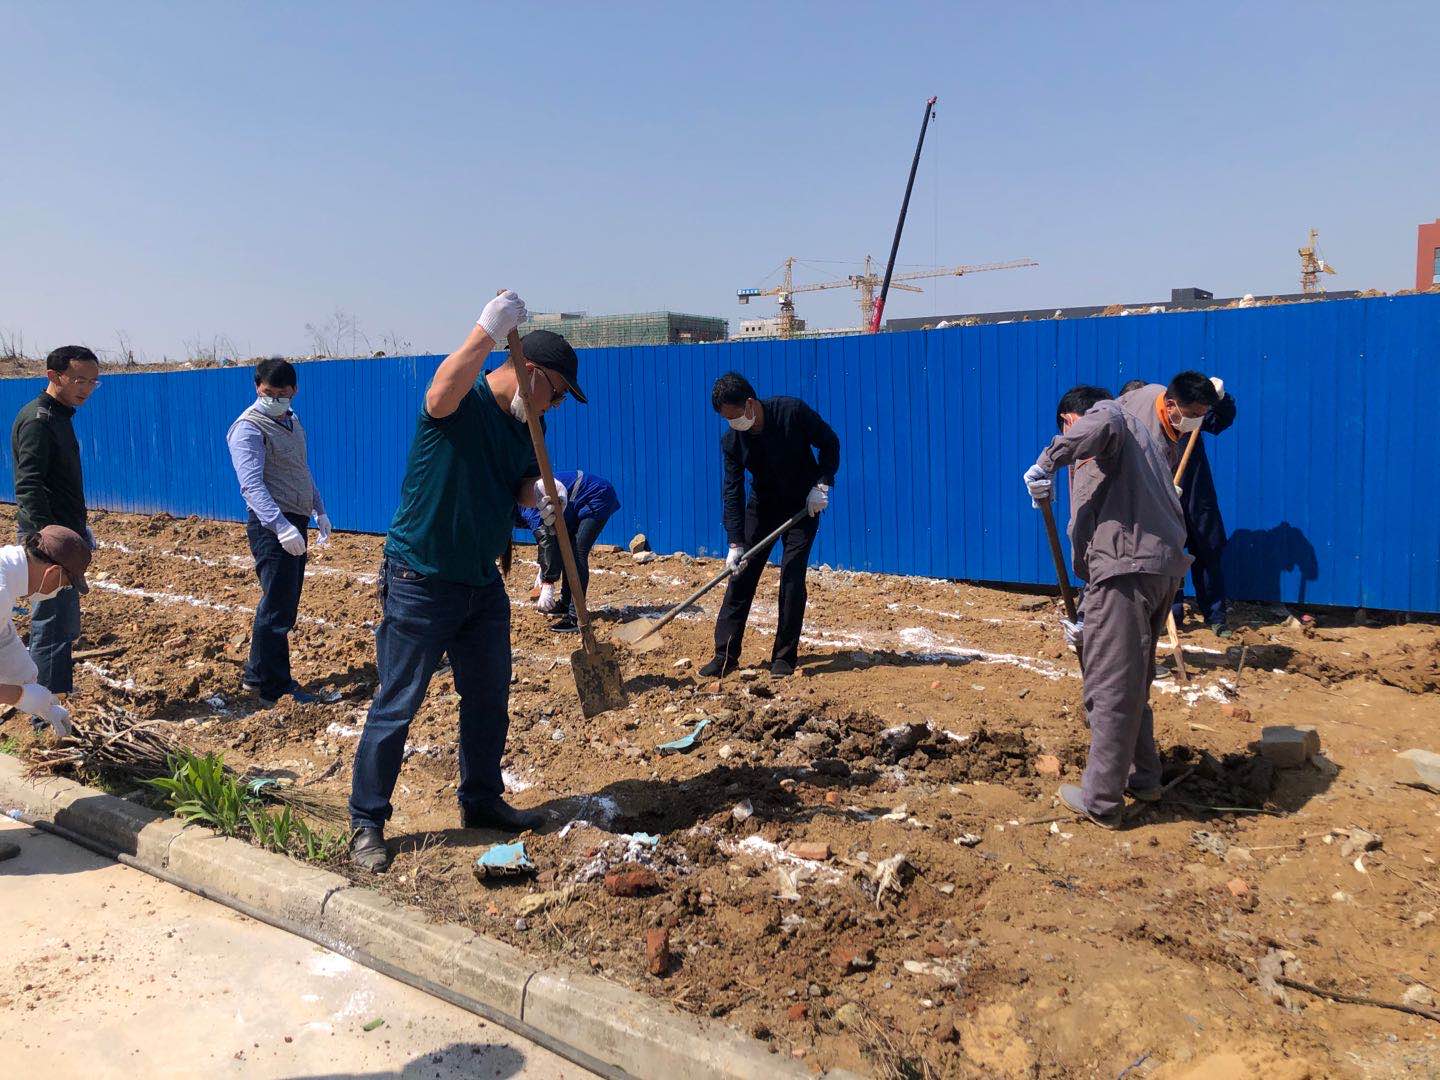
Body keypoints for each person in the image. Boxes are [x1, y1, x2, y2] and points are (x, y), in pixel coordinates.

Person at [349, 291, 581, 873]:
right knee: (398, 703)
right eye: (555, 393)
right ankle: (366, 822)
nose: (554, 407)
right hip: (421, 577)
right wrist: (485, 330)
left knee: (488, 698)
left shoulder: (527, 427)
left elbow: (520, 482)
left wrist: (539, 494)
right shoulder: (463, 402)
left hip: (481, 582)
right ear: (531, 372)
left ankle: (480, 799)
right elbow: (438, 393)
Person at [1023, 385, 1191, 829]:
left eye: (1066, 430)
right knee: (1131, 681)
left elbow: (1103, 421)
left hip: (1124, 573)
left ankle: (1100, 800)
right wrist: (1088, 618)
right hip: (1151, 570)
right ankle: (1145, 776)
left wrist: (1047, 460)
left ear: (1069, 420)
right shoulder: (1139, 444)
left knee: (1109, 687)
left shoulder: (1108, 417)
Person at [701, 373, 840, 679]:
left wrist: (822, 483)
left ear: (750, 404)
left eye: (734, 416)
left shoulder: (792, 412)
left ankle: (784, 657)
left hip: (803, 504)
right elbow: (732, 490)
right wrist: (735, 542)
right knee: (741, 574)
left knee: (792, 574)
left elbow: (829, 442)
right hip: (763, 506)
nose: (732, 423)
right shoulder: (732, 441)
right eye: (726, 419)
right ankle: (725, 655)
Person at [226, 358, 332, 707]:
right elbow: (251, 486)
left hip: (294, 520)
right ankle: (275, 688)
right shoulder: (248, 428)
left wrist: (319, 509)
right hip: (272, 526)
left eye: (281, 394)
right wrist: (281, 526)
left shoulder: (292, 421)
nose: (273, 399)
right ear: (257, 387)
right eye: (267, 392)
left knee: (281, 602)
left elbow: (301, 469)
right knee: (278, 608)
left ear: (294, 391)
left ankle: (257, 675)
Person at [11, 345, 101, 700]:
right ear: (54, 376)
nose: (86, 388)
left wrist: (78, 527)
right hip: (48, 541)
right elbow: (28, 485)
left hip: (64, 535)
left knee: (63, 624)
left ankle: (56, 697)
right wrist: (49, 542)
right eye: (79, 380)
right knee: (50, 623)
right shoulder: (39, 421)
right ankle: (44, 710)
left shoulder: (59, 417)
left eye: (93, 382)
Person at [1118, 373, 1232, 634]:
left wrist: (1222, 399)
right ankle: (1172, 614)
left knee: (1208, 549)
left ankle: (1215, 615)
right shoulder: (1129, 427)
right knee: (1167, 553)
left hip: (1195, 492)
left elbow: (1219, 420)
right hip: (1159, 499)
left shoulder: (1184, 416)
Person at [517, 469, 621, 632]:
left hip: (595, 496)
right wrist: (543, 567)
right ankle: (566, 604)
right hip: (576, 502)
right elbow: (553, 539)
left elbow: (547, 540)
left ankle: (576, 616)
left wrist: (547, 582)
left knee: (577, 553)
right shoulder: (525, 500)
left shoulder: (529, 508)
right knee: (568, 551)